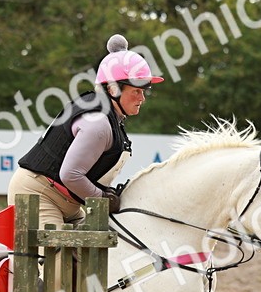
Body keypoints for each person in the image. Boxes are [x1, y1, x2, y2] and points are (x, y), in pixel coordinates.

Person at [10, 33, 162, 227]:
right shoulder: (98, 122)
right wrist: (103, 198)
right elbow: (71, 175)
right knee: (56, 257)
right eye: (136, 91)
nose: (142, 98)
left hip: (67, 202)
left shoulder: (111, 117)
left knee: (99, 251)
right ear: (113, 90)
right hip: (38, 195)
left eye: (143, 91)